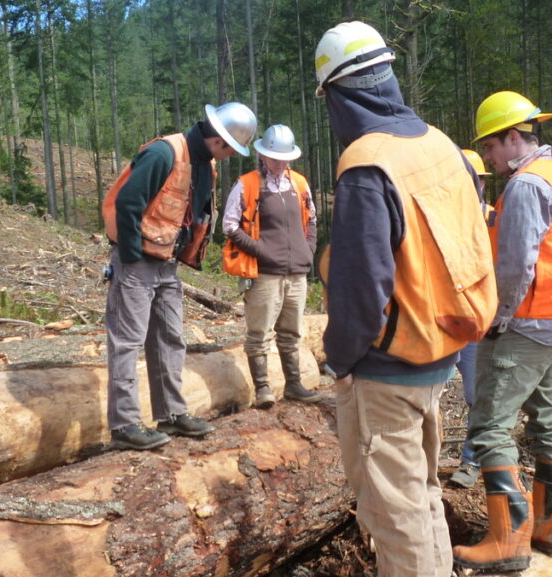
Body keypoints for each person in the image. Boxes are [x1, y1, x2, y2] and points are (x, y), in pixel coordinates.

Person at [315, 22, 497, 577]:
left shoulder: (367, 164)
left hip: (388, 369)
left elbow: (360, 288)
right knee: (418, 495)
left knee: (395, 513)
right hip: (438, 349)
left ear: (341, 94)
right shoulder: (439, 143)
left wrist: (341, 358)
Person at [453, 91, 552, 571]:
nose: (490, 157)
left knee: (489, 424)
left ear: (512, 137)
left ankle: (508, 540)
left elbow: (516, 266)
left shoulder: (524, 186)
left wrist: (494, 320)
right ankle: (549, 527)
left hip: (526, 324)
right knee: (548, 418)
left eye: (491, 147)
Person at [101, 102, 257, 451]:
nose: (232, 156)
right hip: (137, 262)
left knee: (170, 339)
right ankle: (124, 424)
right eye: (232, 149)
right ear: (219, 140)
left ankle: (171, 414)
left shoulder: (205, 164)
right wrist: (129, 257)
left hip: (167, 265)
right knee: (127, 342)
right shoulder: (163, 153)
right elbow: (128, 203)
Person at [221, 124, 321, 409]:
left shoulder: (299, 184)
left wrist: (308, 250)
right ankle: (263, 388)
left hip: (297, 274)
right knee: (259, 333)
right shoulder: (247, 184)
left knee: (292, 332)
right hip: (264, 275)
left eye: (285, 158)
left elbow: (311, 220)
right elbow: (229, 225)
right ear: (263, 156)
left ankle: (294, 385)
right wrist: (261, 251)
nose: (281, 163)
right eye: (275, 158)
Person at [448, 149, 491, 490]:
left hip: (478, 324)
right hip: (443, 320)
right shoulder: (439, 220)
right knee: (425, 393)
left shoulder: (493, 219)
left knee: (478, 395)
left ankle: (471, 461)